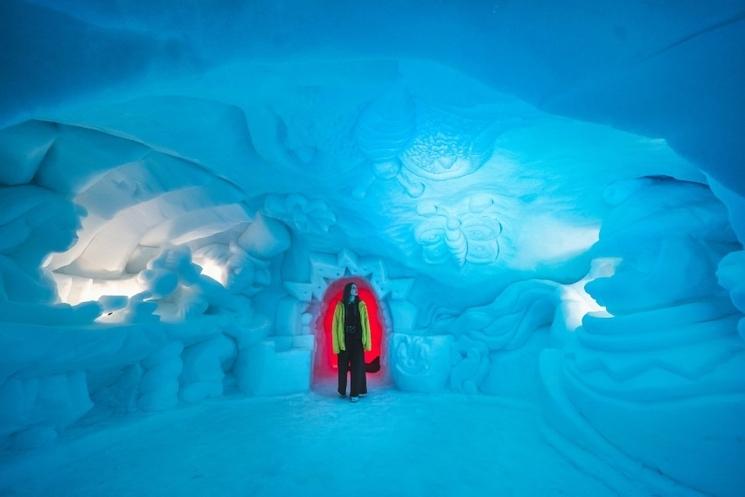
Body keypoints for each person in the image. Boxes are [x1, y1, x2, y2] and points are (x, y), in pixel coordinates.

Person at [332, 282, 372, 402]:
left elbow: (366, 324)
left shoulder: (361, 305)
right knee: (342, 367)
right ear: (348, 290)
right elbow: (335, 325)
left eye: (356, 288)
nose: (356, 289)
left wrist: (366, 342)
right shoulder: (340, 306)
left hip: (357, 340)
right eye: (353, 288)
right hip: (344, 340)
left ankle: (355, 393)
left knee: (357, 367)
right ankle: (342, 391)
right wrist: (337, 344)